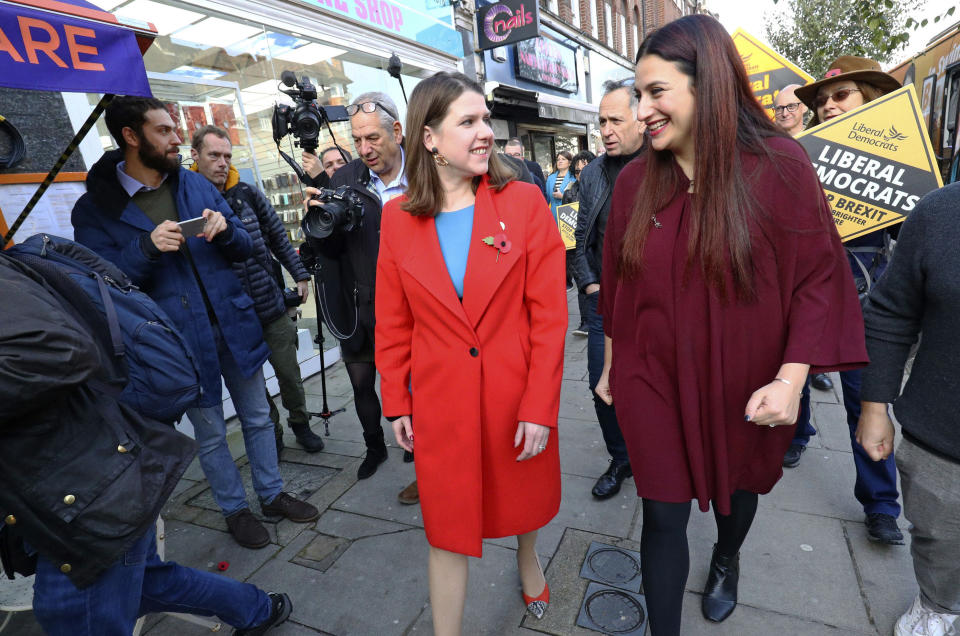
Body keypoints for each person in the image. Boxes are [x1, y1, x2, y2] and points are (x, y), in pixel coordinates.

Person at [595, 16, 867, 634]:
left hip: (748, 381)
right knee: (660, 515)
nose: (641, 112)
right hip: (653, 377)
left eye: (656, 92)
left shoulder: (781, 166)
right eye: (637, 96)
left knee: (738, 492)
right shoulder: (635, 182)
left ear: (708, 83)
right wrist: (612, 365)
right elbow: (617, 284)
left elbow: (818, 281)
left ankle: (727, 554)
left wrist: (793, 381)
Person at [71, 96, 319, 550]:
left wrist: (227, 231)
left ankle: (270, 493)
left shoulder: (192, 183)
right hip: (177, 342)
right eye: (163, 130)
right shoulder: (96, 210)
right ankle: (235, 509)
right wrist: (145, 249)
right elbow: (98, 283)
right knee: (210, 433)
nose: (175, 137)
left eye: (173, 129)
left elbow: (247, 246)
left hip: (233, 324)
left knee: (259, 416)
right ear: (131, 136)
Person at [0, 254, 292, 636]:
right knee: (144, 583)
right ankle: (255, 607)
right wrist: (143, 245)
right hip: (66, 490)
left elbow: (63, 352)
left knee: (75, 611)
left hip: (87, 491)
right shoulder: (98, 211)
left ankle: (260, 507)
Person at [375, 71, 567, 635]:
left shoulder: (525, 203)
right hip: (441, 405)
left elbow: (549, 317)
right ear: (429, 138)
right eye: (469, 121)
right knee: (446, 527)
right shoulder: (397, 218)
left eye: (486, 119)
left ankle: (528, 560)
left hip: (514, 392)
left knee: (522, 495)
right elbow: (392, 321)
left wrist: (539, 406)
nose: (486, 131)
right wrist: (397, 402)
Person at [795, 56, 904, 543]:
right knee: (792, 380)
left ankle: (881, 505)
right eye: (821, 101)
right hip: (805, 298)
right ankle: (793, 438)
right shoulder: (798, 158)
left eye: (841, 96)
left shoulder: (898, 165)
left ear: (872, 103)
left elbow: (916, 230)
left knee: (867, 405)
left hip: (866, 307)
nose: (828, 106)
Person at [856, 183, 960, 636]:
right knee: (940, 539)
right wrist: (874, 405)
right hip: (943, 436)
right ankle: (937, 606)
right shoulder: (941, 211)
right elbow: (892, 311)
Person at [302, 91, 416, 500]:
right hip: (362, 303)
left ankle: (422, 458)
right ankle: (374, 448)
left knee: (415, 384)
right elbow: (330, 253)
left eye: (372, 138)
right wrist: (318, 223)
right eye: (357, 140)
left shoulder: (425, 173)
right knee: (362, 380)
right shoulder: (344, 179)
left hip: (417, 307)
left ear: (397, 131)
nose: (364, 149)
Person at [190, 125, 324, 456]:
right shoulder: (188, 201)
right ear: (195, 156)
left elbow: (278, 236)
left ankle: (300, 423)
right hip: (232, 314)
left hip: (269, 302)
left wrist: (300, 275)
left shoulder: (247, 192)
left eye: (227, 156)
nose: (222, 163)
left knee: (289, 374)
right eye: (214, 156)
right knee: (253, 384)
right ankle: (272, 432)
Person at [572, 78, 645, 500]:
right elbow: (570, 234)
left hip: (654, 307)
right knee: (602, 386)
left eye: (615, 119)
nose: (606, 129)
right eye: (601, 121)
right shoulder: (592, 172)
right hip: (604, 303)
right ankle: (621, 459)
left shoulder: (667, 164)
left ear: (641, 119)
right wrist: (590, 284)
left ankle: (652, 451)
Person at [771, 84, 829, 468]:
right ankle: (798, 430)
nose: (785, 113)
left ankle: (879, 503)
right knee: (795, 358)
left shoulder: (826, 146)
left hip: (853, 271)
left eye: (791, 106)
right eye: (778, 109)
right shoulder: (773, 150)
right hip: (795, 269)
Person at [562, 150, 596, 337]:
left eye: (585, 169)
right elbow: (566, 222)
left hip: (597, 244)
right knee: (583, 281)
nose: (581, 174)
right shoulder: (570, 192)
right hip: (576, 245)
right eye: (577, 171)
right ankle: (585, 322)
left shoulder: (602, 187)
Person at [545, 150, 575, 223]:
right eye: (558, 159)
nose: (560, 161)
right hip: (552, 215)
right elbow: (547, 198)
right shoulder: (550, 178)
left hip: (568, 215)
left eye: (563, 159)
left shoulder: (573, 179)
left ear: (569, 163)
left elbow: (576, 198)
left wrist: (562, 196)